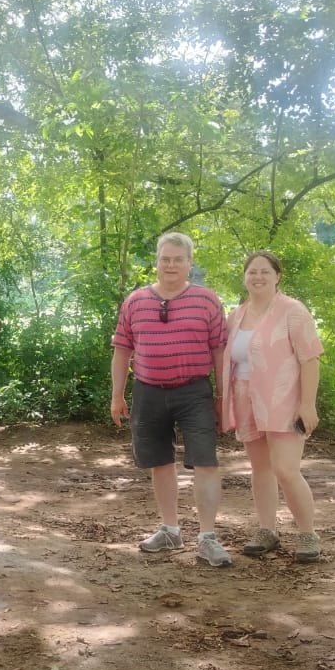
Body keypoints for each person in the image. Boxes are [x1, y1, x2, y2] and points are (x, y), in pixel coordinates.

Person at [111, 232, 231, 567]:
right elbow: (122, 349)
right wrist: (117, 395)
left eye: (179, 259)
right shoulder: (135, 302)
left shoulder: (207, 301)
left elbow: (219, 350)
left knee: (206, 462)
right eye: (165, 259)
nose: (171, 265)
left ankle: (207, 538)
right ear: (157, 262)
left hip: (195, 391)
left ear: (190, 263)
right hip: (148, 391)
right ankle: (170, 529)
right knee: (159, 462)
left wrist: (223, 397)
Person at [221, 250, 325, 562]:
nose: (258, 277)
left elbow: (310, 359)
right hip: (245, 399)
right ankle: (267, 530)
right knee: (260, 469)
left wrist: (308, 405)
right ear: (244, 277)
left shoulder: (293, 311)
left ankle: (308, 534)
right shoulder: (236, 315)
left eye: (265, 271)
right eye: (252, 271)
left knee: (286, 469)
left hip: (284, 400)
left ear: (277, 276)